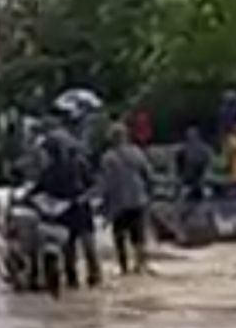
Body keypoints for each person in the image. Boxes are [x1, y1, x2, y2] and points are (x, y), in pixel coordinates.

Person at [33, 134, 101, 289]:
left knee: (88, 247)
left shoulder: (79, 164)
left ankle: (94, 278)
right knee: (68, 250)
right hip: (62, 214)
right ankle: (72, 280)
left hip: (80, 210)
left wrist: (83, 198)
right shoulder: (48, 171)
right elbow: (38, 189)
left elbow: (94, 185)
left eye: (48, 152)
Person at [101, 123, 153, 276]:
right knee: (139, 236)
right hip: (138, 199)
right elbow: (148, 174)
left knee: (119, 237)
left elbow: (106, 183)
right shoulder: (137, 152)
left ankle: (124, 268)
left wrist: (105, 206)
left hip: (119, 202)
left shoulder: (108, 157)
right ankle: (140, 265)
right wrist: (149, 193)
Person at [176, 126, 212, 204]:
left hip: (200, 182)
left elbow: (208, 165)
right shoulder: (183, 150)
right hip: (188, 182)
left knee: (207, 197)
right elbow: (179, 165)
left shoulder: (204, 150)